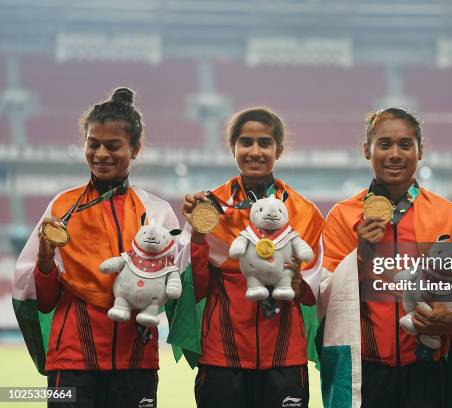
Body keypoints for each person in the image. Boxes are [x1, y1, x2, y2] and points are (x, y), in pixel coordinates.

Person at [12, 88, 179, 408]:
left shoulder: (156, 212)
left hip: (136, 363)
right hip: (72, 363)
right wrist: (45, 259)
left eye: (113, 145)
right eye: (93, 143)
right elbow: (45, 302)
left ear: (135, 149)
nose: (101, 153)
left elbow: (171, 290)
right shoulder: (61, 208)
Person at [318, 107, 452, 408]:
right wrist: (361, 256)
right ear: (367, 150)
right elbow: (323, 295)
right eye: (384, 144)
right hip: (366, 373)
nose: (395, 154)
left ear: (420, 150)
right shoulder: (342, 216)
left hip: (431, 370)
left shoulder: (448, 215)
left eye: (405, 145)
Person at [168, 107, 324, 408]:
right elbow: (195, 289)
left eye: (264, 143)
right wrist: (198, 233)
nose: (255, 151)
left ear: (279, 148)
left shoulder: (306, 213)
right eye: (245, 142)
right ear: (233, 148)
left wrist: (297, 282)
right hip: (222, 359)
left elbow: (313, 296)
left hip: (285, 359)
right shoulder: (209, 208)